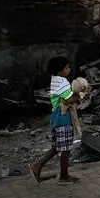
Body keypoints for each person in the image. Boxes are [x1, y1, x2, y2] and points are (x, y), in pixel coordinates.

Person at [31, 56, 80, 184]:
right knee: (65, 149)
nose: (69, 69)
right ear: (60, 71)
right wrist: (80, 93)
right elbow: (69, 100)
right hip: (63, 118)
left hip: (56, 118)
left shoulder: (55, 80)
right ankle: (64, 176)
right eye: (67, 68)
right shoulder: (62, 82)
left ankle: (37, 166)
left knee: (56, 147)